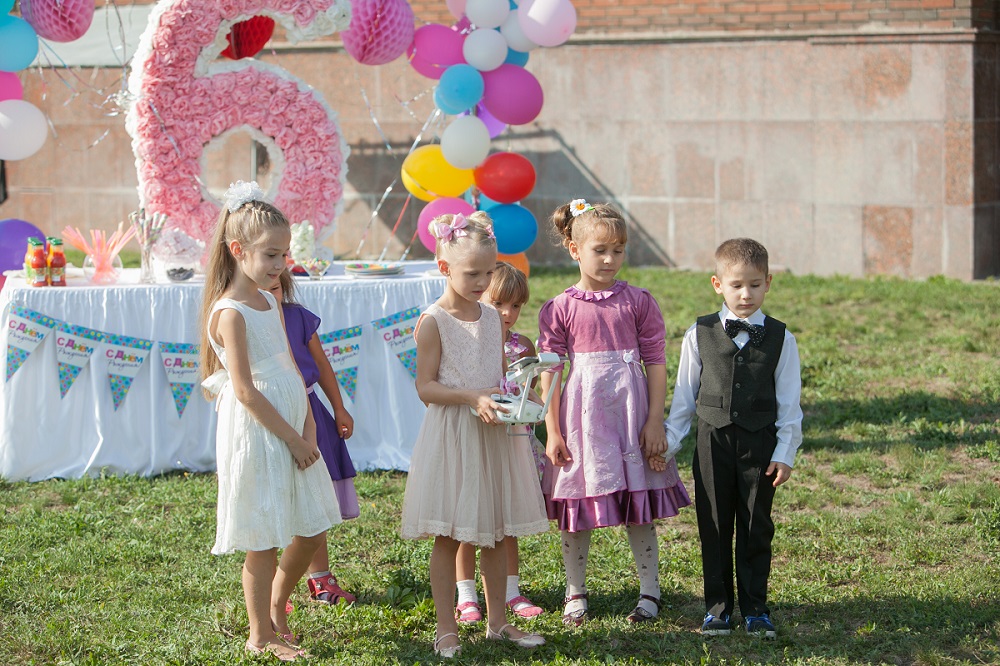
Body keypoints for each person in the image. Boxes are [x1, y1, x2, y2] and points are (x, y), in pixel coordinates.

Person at [199, 181, 341, 662]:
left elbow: (292, 368)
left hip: (295, 421)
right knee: (262, 538)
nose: (282, 265)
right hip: (258, 431)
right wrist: (291, 439)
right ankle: (260, 634)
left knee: (312, 526)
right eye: (271, 255)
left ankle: (279, 602)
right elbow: (245, 390)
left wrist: (309, 427)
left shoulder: (271, 300)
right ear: (238, 250)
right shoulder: (230, 313)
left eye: (284, 254)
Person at [400, 212, 549, 658]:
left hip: (493, 433)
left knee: (499, 531)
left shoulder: (490, 317)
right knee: (450, 534)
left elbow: (498, 375)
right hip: (455, 435)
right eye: (472, 274)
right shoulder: (434, 321)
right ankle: (446, 628)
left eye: (488, 272)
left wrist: (518, 394)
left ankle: (498, 622)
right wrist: (470, 397)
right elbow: (425, 388)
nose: (483, 283)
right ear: (444, 267)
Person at [537, 199, 691, 627]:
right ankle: (575, 591)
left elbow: (655, 360)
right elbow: (550, 372)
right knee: (576, 503)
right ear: (574, 249)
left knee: (638, 501)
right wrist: (552, 430)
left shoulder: (638, 301)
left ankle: (650, 591)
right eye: (600, 250)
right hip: (581, 420)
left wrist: (655, 420)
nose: (610, 259)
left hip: (630, 414)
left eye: (618, 250)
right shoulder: (559, 308)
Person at [661, 237, 802, 639]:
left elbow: (790, 403)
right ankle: (717, 609)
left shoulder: (781, 338)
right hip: (712, 443)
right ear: (717, 284)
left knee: (756, 526)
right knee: (714, 524)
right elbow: (684, 397)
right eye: (736, 285)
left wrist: (785, 452)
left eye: (755, 285)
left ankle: (756, 609)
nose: (745, 294)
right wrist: (669, 443)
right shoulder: (699, 332)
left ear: (768, 283)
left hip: (761, 447)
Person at [454, 262, 547, 625]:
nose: (507, 313)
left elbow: (528, 393)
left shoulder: (523, 346)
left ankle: (510, 591)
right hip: (475, 439)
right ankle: (466, 595)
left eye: (516, 306)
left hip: (511, 443)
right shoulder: (467, 341)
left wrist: (531, 397)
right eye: (498, 304)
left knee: (507, 518)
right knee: (468, 520)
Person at [271, 270, 359, 607]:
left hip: (312, 414)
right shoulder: (242, 320)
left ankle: (320, 579)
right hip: (272, 417)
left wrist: (339, 407)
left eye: (276, 287)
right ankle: (270, 586)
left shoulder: (299, 318)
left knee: (316, 499)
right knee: (278, 498)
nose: (270, 294)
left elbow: (320, 364)